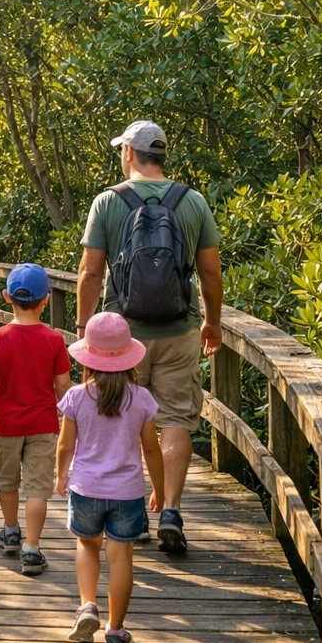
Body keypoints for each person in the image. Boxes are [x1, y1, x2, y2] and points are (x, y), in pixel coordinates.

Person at [76, 120, 222, 554]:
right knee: (176, 419)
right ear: (160, 156)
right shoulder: (192, 201)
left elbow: (90, 271)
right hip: (179, 329)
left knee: (120, 415)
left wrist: (86, 331)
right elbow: (211, 272)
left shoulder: (108, 202)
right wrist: (211, 320)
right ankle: (172, 509)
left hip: (121, 334)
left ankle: (127, 511)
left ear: (128, 154)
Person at [56, 313, 165, 643]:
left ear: (87, 357)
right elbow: (151, 448)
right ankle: (115, 633)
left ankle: (87, 605)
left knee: (87, 546)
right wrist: (160, 490)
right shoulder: (141, 399)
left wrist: (61, 474)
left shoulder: (76, 397)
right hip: (127, 492)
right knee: (121, 558)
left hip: (86, 487)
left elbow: (64, 445)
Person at [0, 263, 72, 576]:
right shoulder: (53, 340)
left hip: (6, 426)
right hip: (43, 425)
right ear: (45, 300)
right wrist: (70, 418)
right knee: (38, 489)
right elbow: (63, 385)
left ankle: (11, 530)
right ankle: (32, 548)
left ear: (6, 297)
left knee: (7, 481)